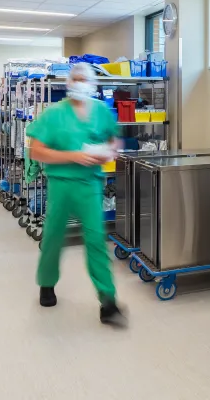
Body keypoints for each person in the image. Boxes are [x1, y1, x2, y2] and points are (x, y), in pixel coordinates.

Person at [27, 63, 126, 327]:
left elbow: (114, 140)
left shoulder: (102, 111)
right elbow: (36, 151)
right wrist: (73, 156)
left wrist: (110, 150)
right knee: (53, 238)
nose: (80, 83)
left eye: (85, 79)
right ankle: (47, 283)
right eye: (76, 78)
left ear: (93, 84)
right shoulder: (54, 114)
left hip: (90, 184)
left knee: (95, 241)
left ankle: (108, 300)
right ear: (70, 82)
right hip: (61, 184)